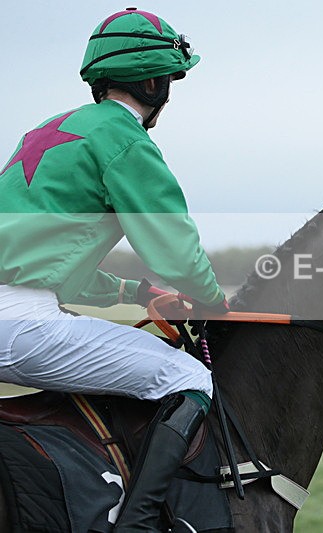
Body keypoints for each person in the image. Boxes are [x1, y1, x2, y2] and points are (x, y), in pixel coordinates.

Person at [0, 8, 227, 531]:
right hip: (22, 326)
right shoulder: (126, 140)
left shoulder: (47, 131)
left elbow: (50, 265)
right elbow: (175, 250)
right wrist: (213, 301)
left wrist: (136, 291)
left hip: (16, 312)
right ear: (152, 83)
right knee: (190, 377)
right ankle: (138, 522)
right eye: (169, 80)